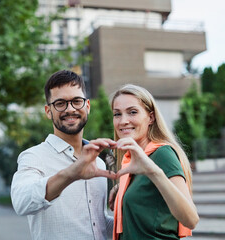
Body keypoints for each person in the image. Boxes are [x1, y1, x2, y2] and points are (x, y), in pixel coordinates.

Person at [11, 70, 117, 240]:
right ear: (48, 111)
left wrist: (130, 203)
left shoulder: (98, 163)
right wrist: (70, 174)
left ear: (87, 106)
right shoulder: (34, 156)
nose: (70, 109)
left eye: (76, 101)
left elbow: (96, 225)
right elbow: (21, 202)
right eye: (60, 103)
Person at [109, 84, 199, 240]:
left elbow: (191, 219)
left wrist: (153, 171)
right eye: (117, 114)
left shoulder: (162, 154)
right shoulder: (131, 161)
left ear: (150, 117)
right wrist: (123, 186)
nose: (123, 121)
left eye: (132, 112)